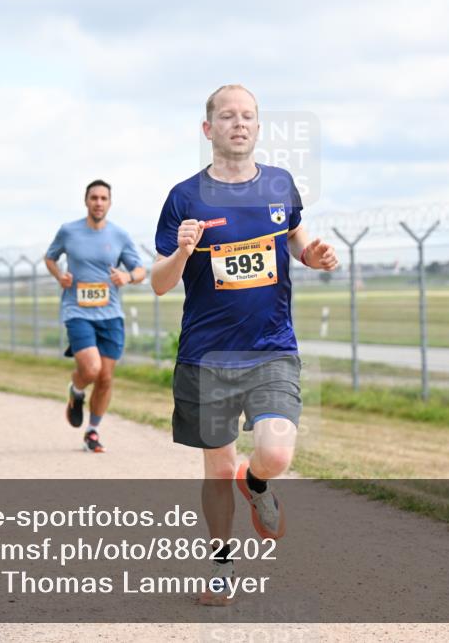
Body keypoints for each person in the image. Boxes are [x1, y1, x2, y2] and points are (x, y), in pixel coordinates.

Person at [150, 85, 338, 605]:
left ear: (258, 127)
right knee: (215, 466)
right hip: (207, 357)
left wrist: (311, 255)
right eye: (227, 116)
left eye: (248, 116)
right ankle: (220, 566)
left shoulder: (280, 184)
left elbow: (295, 236)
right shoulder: (184, 198)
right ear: (208, 129)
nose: (239, 123)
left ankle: (256, 484)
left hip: (271, 348)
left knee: (275, 453)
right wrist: (184, 251)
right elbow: (160, 283)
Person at [44, 179, 147, 453]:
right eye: (94, 198)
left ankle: (92, 431)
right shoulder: (68, 231)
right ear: (86, 201)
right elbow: (50, 257)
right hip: (77, 311)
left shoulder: (120, 235)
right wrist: (60, 276)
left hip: (111, 315)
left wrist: (127, 276)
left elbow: (140, 270)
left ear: (110, 203)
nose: (98, 203)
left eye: (103, 198)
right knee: (91, 369)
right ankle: (76, 390)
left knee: (105, 379)